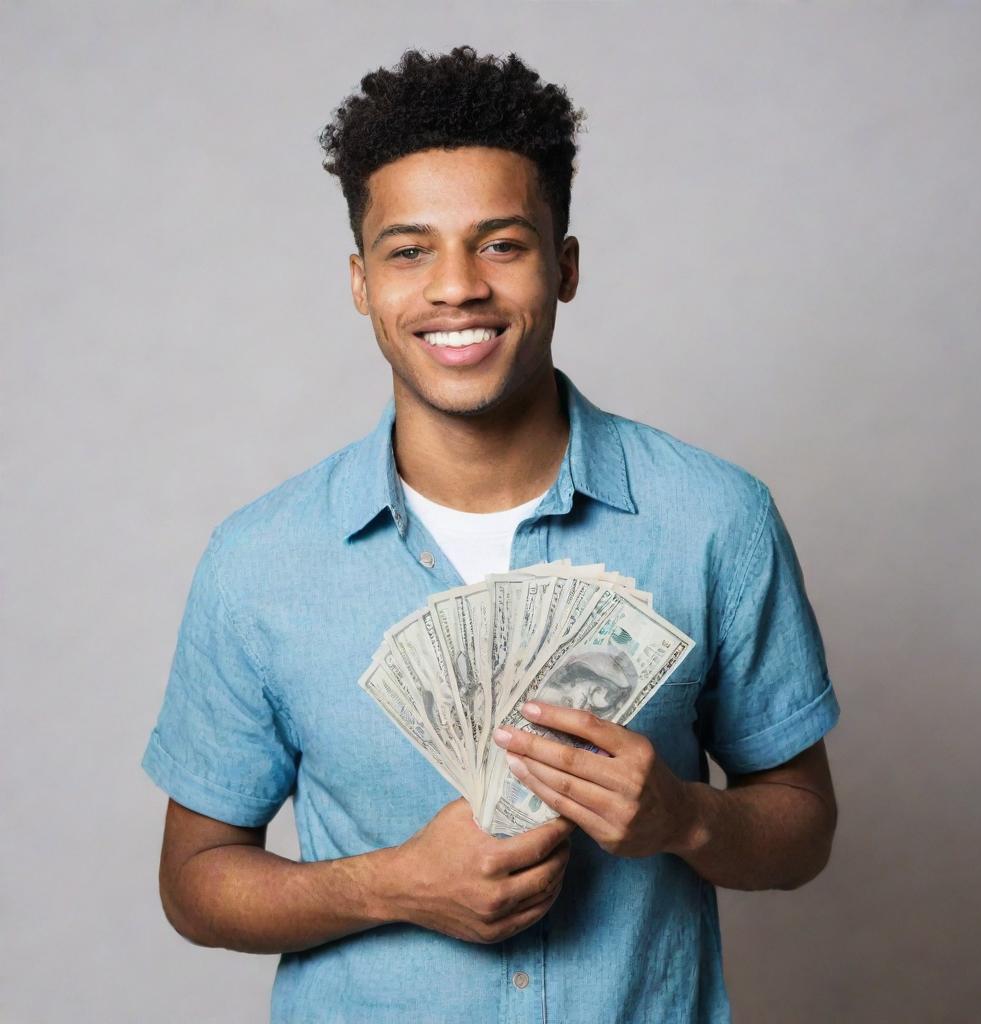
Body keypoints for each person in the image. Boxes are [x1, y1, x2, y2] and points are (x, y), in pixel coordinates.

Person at [141, 45, 840, 1023]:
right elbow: (195, 880)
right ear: (361, 282)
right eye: (409, 249)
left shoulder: (714, 518)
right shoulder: (258, 562)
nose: (456, 285)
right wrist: (390, 884)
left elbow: (800, 827)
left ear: (565, 266)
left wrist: (686, 816)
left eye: (501, 243)